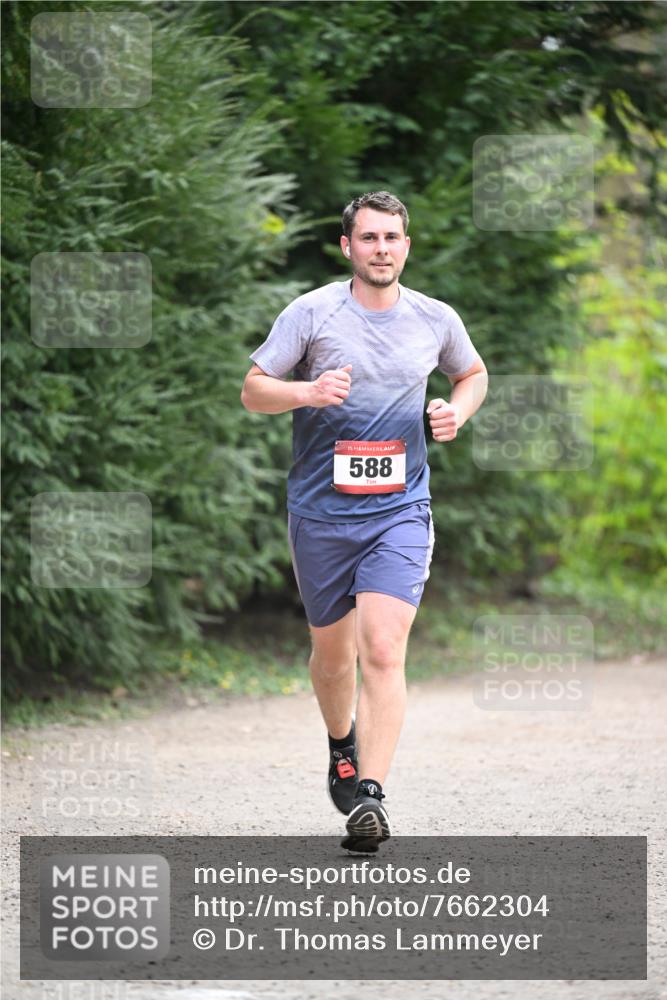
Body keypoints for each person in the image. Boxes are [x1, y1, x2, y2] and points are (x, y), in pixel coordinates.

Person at [241, 190, 488, 853]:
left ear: (407, 245)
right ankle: (340, 744)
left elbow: (471, 374)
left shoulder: (433, 319)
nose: (382, 248)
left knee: (380, 648)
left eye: (393, 237)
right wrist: (306, 392)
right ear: (347, 247)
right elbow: (252, 388)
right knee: (331, 656)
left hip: (399, 512)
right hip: (320, 514)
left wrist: (455, 413)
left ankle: (370, 797)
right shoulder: (312, 314)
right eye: (369, 238)